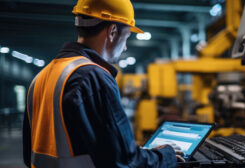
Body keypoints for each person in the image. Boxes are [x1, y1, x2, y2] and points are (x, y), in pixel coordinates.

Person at [23, 0, 181, 167]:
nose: (125, 47)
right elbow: (126, 162)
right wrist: (167, 154)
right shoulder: (94, 78)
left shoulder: (40, 78)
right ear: (112, 31)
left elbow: (30, 156)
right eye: (127, 37)